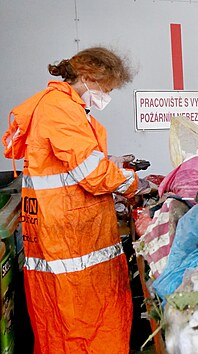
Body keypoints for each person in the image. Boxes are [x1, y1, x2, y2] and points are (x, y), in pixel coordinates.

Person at [3, 47, 139, 353]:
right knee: (79, 326)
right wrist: (132, 184)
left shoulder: (59, 105)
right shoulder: (61, 110)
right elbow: (92, 175)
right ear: (89, 77)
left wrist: (110, 160)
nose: (107, 95)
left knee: (63, 323)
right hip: (69, 238)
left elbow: (70, 161)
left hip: (64, 233)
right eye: (108, 88)